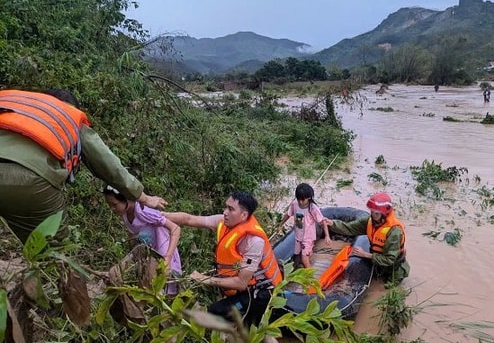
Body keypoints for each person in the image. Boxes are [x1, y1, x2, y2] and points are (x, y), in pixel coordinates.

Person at [0, 89, 167, 243]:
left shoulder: (14, 102)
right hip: (31, 180)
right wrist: (143, 197)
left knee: (25, 233)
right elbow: (108, 165)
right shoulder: (69, 116)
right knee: (51, 249)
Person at [163, 191, 282, 326]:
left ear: (243, 215)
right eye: (226, 207)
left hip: (257, 294)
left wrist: (204, 279)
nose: (225, 212)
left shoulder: (254, 242)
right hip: (242, 290)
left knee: (215, 313)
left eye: (231, 209)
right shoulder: (223, 222)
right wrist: (160, 216)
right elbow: (189, 219)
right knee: (258, 331)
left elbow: (241, 283)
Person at [103, 184, 181, 294]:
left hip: (162, 254)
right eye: (109, 205)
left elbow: (176, 229)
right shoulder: (125, 214)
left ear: (126, 199)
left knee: (163, 291)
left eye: (114, 204)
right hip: (148, 256)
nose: (112, 208)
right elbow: (131, 234)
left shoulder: (143, 211)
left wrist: (167, 258)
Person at [326, 192, 409, 284]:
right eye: (372, 212)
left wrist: (365, 254)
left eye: (377, 213)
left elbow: (389, 260)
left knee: (388, 288)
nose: (373, 215)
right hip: (377, 262)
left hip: (393, 268)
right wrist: (332, 224)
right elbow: (350, 228)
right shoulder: (369, 221)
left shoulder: (394, 232)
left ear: (385, 214)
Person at [279, 183, 331, 269]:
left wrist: (327, 236)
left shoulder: (312, 208)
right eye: (299, 199)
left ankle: (310, 279)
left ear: (309, 198)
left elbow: (323, 221)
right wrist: (280, 225)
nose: (300, 202)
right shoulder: (294, 204)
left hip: (308, 238)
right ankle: (301, 263)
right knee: (297, 254)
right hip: (298, 236)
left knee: (304, 260)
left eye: (303, 200)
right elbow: (288, 214)